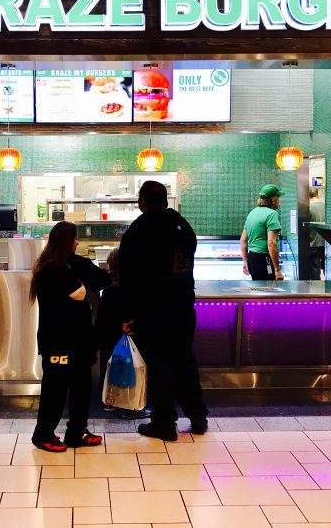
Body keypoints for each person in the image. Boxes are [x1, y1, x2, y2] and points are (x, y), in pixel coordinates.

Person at [119, 180, 208, 442]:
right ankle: (198, 417)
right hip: (183, 307)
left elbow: (128, 277)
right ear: (166, 200)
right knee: (185, 361)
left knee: (159, 364)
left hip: (153, 310)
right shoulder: (183, 226)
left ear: (142, 202)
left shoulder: (139, 229)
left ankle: (163, 423)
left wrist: (127, 314)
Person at [30, 221, 111, 452]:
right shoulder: (50, 269)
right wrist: (83, 279)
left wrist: (83, 274)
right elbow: (80, 291)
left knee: (82, 385)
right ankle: (43, 434)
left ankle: (77, 431)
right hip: (58, 340)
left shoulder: (70, 263)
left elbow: (101, 280)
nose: (77, 242)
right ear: (66, 242)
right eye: (74, 238)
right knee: (55, 389)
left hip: (79, 339)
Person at [95, 247, 150, 419]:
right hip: (127, 336)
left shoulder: (107, 288)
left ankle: (110, 401)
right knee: (130, 369)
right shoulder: (132, 287)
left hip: (108, 337)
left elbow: (102, 317)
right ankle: (130, 406)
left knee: (109, 366)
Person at [241, 184, 285, 281]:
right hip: (265, 259)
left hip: (252, 258)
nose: (280, 201)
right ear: (274, 199)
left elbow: (243, 240)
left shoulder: (252, 213)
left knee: (258, 289)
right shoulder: (272, 214)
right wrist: (277, 270)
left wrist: (245, 262)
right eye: (278, 198)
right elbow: (271, 243)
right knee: (269, 289)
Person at [308, 187, 325, 280]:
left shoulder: (308, 208)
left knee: (315, 272)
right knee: (328, 269)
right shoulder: (326, 206)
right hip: (327, 243)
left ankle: (316, 289)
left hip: (313, 244)